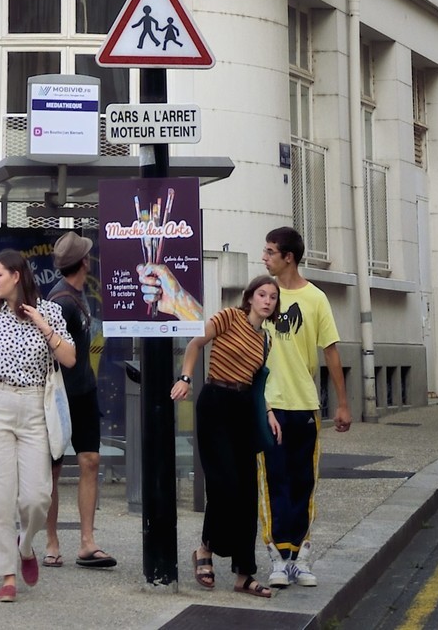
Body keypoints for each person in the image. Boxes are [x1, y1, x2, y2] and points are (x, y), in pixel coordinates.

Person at [0, 249, 75, 603]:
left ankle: (25, 546)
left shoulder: (50, 310)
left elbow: (69, 358)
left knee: (38, 496)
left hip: (35, 404)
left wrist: (42, 323)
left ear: (16, 276)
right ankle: (6, 573)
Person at [170, 273, 282, 598]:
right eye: (262, 294)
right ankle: (204, 550)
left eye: (272, 298)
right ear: (250, 298)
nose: (267, 301)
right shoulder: (229, 317)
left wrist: (269, 413)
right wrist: (186, 378)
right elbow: (195, 344)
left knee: (248, 492)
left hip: (245, 409)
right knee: (224, 485)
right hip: (216, 402)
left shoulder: (266, 341)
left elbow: (257, 384)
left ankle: (244, 574)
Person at [260, 226, 350, 588]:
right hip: (269, 405)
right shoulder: (262, 295)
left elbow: (330, 350)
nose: (264, 257)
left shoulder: (315, 299)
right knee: (273, 482)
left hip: (305, 405)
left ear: (288, 258)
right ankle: (277, 556)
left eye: (270, 252)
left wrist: (342, 404)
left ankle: (299, 554)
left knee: (303, 483)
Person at [41, 233, 116, 569]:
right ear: (84, 261)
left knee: (90, 461)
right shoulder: (61, 300)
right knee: (52, 470)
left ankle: (87, 541)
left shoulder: (76, 294)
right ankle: (51, 540)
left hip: (84, 392)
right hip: (61, 395)